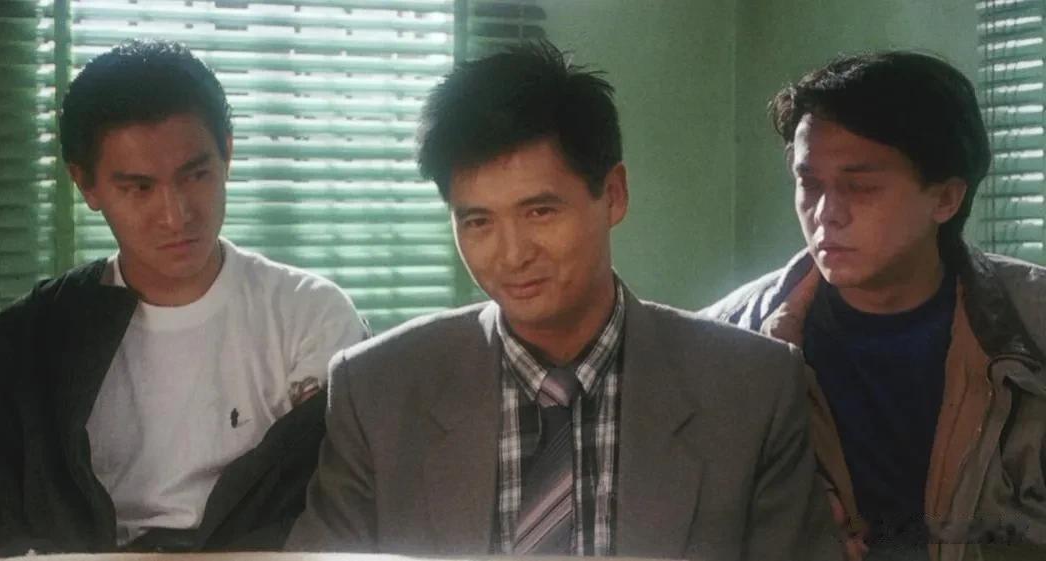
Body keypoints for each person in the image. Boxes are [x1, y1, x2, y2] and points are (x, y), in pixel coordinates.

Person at [286, 42, 838, 561]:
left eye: (540, 212)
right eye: (477, 222)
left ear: (613, 195)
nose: (512, 254)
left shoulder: (751, 390)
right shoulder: (377, 391)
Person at [0, 40, 367, 557]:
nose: (176, 216)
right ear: (86, 185)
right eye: (139, 188)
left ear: (227, 153)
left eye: (196, 175)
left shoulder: (310, 315)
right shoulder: (32, 338)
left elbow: (347, 509)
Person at [703, 51, 1046, 561]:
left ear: (946, 198)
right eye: (809, 184)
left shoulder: (1032, 326)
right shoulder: (726, 343)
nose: (826, 214)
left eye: (860, 187)